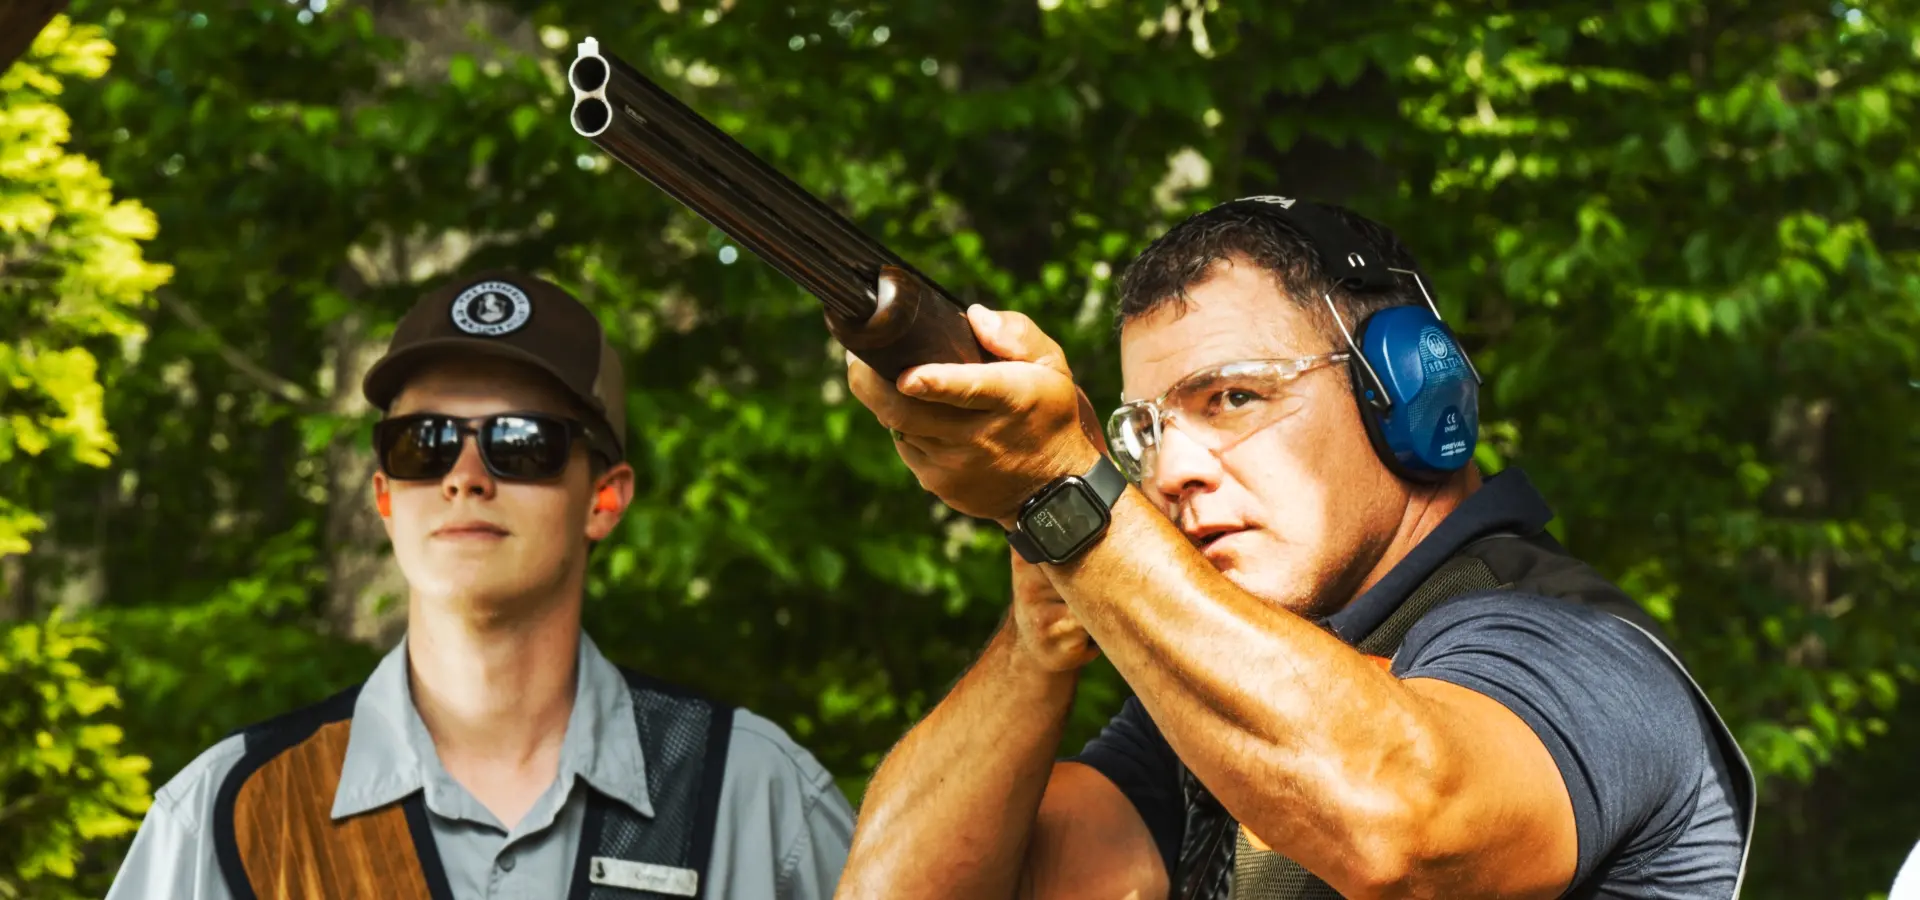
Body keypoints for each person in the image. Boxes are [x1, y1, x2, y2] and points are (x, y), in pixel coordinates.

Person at [838, 198, 1755, 899]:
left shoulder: (1573, 653)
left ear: (1406, 388)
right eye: (1146, 431)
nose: (1172, 472)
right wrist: (1043, 624)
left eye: (1234, 397)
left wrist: (1068, 494)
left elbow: (1397, 822)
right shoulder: (1227, 711)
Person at [105, 270, 855, 900]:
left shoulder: (752, 797)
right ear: (386, 498)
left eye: (520, 444)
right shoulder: (234, 813)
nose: (464, 479)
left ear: (605, 498)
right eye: (422, 445)